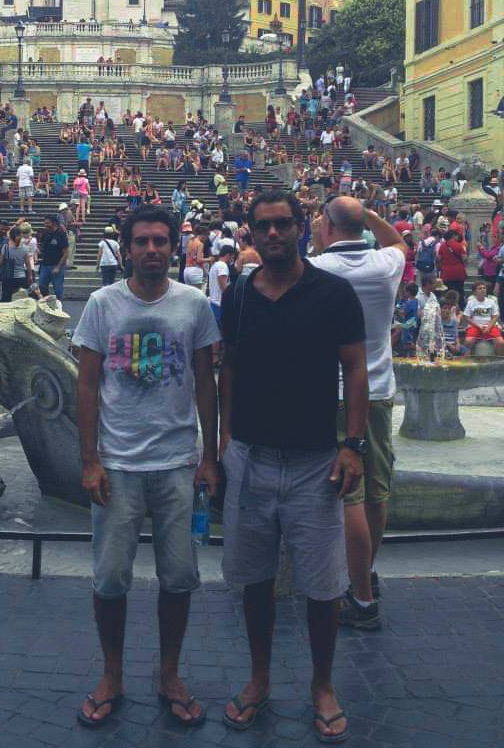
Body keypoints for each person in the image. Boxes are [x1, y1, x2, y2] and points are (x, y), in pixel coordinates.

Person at [218, 190, 368, 743]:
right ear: (251, 232)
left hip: (314, 460)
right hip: (251, 455)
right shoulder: (237, 296)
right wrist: (224, 439)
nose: (274, 234)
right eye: (264, 226)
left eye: (284, 224)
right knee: (255, 580)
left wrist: (353, 444)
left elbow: (355, 369)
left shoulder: (333, 293)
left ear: (303, 228)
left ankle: (322, 685)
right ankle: (259, 679)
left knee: (323, 585)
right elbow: (227, 370)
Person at [72, 205, 220, 729]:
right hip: (117, 464)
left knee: (178, 577)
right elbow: (86, 386)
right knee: (110, 579)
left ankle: (169, 673)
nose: (152, 249)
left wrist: (211, 456)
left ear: (174, 246)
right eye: (142, 242)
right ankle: (112, 673)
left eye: (161, 241)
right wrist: (88, 460)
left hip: (178, 462)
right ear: (127, 247)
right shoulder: (100, 303)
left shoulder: (195, 304)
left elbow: (206, 383)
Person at [310, 198, 407, 630]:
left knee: (350, 493)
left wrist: (319, 233)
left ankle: (362, 598)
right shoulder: (386, 264)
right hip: (380, 390)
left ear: (328, 227)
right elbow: (399, 240)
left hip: (332, 393)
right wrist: (364, 213)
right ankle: (366, 570)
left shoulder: (316, 271)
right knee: (377, 489)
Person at [463, 282, 504, 353]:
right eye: (480, 288)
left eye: (484, 288)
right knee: (468, 341)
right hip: (475, 326)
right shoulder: (471, 302)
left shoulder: (492, 302)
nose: (483, 290)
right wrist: (479, 326)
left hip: (490, 326)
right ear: (475, 292)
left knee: (501, 342)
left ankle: (500, 360)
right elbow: (466, 317)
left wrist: (488, 327)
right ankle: (466, 359)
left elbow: (496, 316)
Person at [39, 215, 68, 301]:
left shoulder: (61, 234)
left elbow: (66, 253)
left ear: (54, 223)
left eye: (48, 223)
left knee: (58, 290)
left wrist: (58, 267)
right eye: (45, 223)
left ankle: (59, 308)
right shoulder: (45, 233)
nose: (45, 224)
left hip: (56, 266)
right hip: (45, 265)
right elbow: (42, 249)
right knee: (41, 287)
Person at [0, 226, 31, 302]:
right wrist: (30, 276)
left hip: (8, 277)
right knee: (20, 300)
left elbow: (1, 262)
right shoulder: (25, 248)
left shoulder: (6, 247)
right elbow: (28, 264)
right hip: (21, 277)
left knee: (7, 299)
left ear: (10, 236)